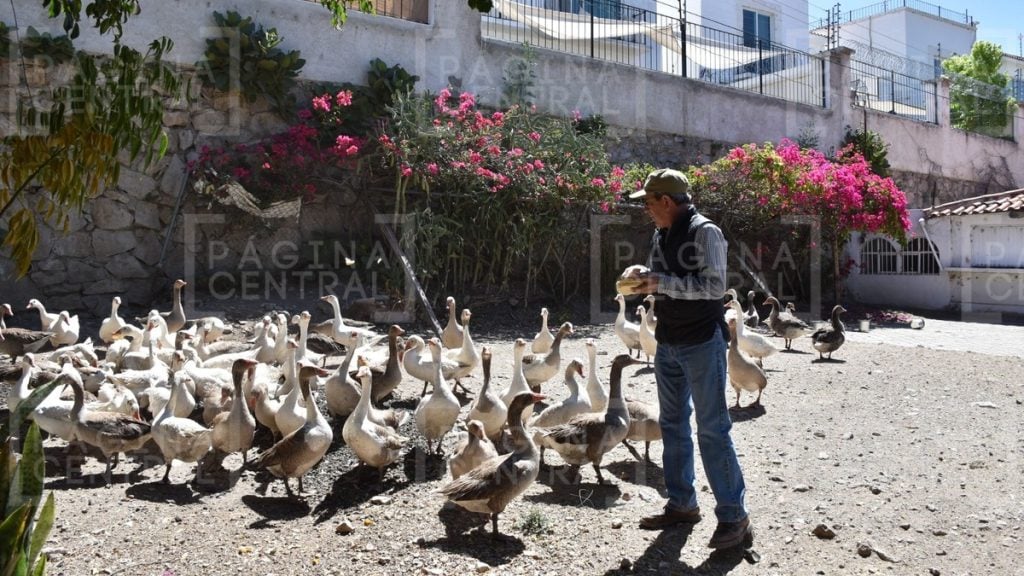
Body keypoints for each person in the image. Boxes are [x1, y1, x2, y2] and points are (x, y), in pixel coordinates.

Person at [620, 168, 751, 550]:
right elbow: (660, 276)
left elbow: (714, 287)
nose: (646, 209)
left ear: (666, 201)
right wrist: (642, 275)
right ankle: (682, 504)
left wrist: (660, 282)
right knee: (673, 425)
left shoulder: (705, 232)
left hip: (702, 342)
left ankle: (734, 517)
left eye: (648, 202)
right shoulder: (661, 233)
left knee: (713, 429)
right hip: (668, 342)